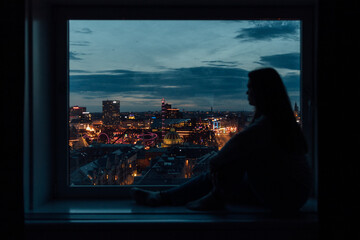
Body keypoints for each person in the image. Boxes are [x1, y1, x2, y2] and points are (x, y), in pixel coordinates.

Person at [132, 68, 313, 213]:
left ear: (262, 92)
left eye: (250, 87)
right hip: (294, 194)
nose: (246, 91)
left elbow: (222, 158)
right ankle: (186, 197)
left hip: (283, 198)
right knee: (235, 164)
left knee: (235, 161)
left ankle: (169, 197)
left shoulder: (265, 126)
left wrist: (221, 167)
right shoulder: (281, 121)